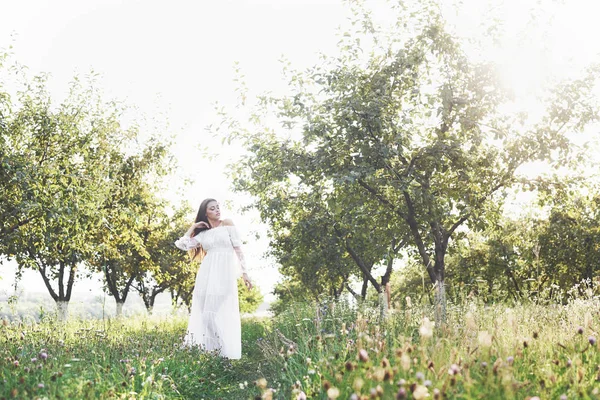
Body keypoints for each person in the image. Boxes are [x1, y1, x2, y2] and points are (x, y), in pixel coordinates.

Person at [174, 198, 253, 359]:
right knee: (205, 315)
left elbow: (238, 249)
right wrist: (194, 227)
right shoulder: (203, 234)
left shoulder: (227, 224)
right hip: (206, 274)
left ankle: (223, 353)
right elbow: (182, 245)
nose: (217, 210)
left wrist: (244, 273)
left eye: (218, 207)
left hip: (224, 274)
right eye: (212, 208)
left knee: (210, 315)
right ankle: (213, 354)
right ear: (205, 213)